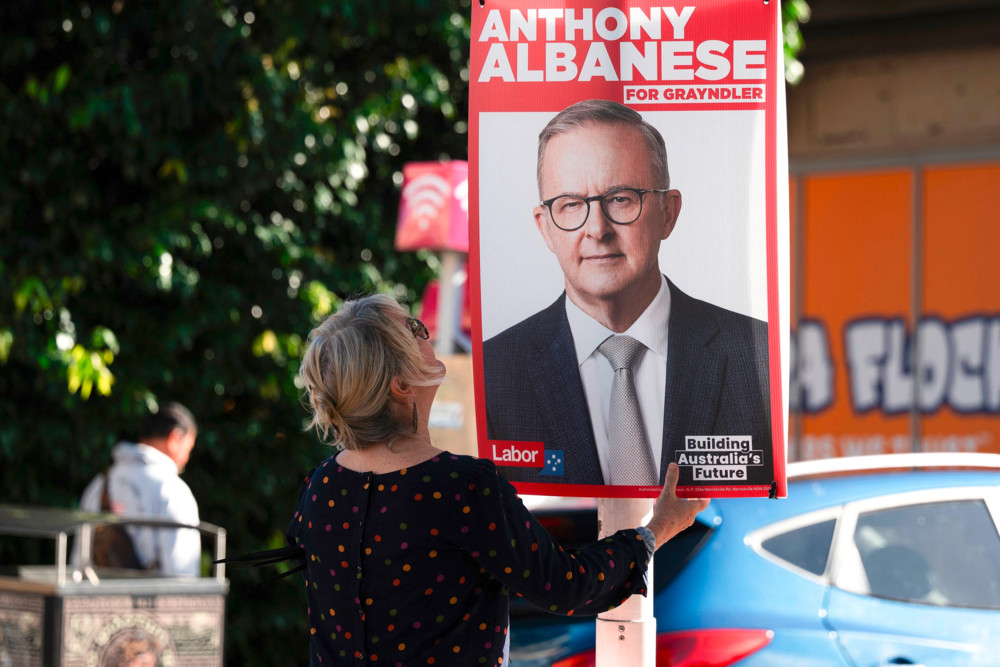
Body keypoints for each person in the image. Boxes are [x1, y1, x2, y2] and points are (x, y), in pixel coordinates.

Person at [287, 294, 708, 666]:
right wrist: (658, 528)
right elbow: (565, 586)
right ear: (400, 384)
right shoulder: (460, 487)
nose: (426, 332)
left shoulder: (320, 487)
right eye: (414, 328)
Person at [483, 99, 773, 488]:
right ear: (545, 228)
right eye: (571, 205)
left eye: (620, 199)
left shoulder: (756, 354)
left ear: (668, 213)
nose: (597, 229)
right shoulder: (493, 374)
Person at [78, 402, 201, 576]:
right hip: (149, 601)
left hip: (95, 599)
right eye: (188, 448)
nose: (187, 458)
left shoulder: (100, 483)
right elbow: (182, 575)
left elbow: (78, 562)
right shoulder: (174, 491)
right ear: (174, 439)